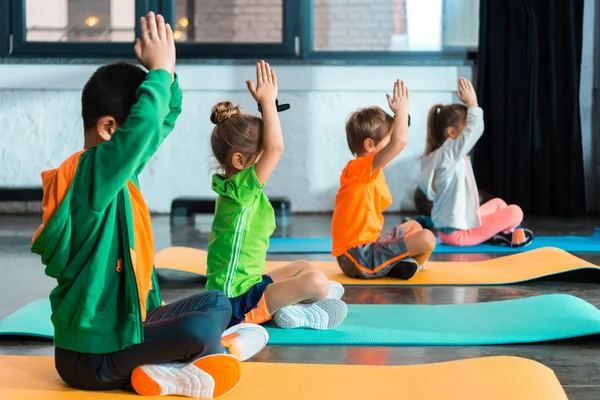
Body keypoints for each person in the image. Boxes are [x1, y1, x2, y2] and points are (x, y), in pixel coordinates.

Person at [31, 12, 266, 399]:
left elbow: (157, 125)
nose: (142, 145)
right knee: (199, 330)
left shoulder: (118, 172)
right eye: (133, 133)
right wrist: (159, 71)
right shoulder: (88, 177)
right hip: (91, 357)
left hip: (128, 327)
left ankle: (174, 365)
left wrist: (165, 77)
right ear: (109, 129)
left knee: (216, 301)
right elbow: (142, 130)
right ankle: (206, 356)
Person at [206, 61, 347, 330]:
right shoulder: (241, 189)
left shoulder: (240, 189)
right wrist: (268, 103)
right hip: (233, 306)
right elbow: (276, 148)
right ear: (239, 160)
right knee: (317, 281)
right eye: (260, 158)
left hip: (248, 287)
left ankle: (293, 306)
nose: (266, 165)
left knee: (304, 266)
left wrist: (267, 106)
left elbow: (271, 147)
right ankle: (301, 310)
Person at [331, 80, 436, 280]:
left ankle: (398, 265)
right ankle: (407, 264)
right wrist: (402, 111)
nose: (391, 148)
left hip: (371, 244)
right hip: (357, 256)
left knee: (414, 226)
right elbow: (399, 142)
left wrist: (399, 118)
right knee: (427, 238)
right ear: (370, 145)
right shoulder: (360, 168)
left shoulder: (371, 172)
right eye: (387, 141)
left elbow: (396, 141)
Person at [419, 77, 534, 247]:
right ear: (451, 132)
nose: (467, 135)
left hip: (453, 227)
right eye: (464, 128)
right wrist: (472, 103)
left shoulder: (444, 153)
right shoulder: (449, 152)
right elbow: (476, 128)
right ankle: (507, 235)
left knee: (499, 204)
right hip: (458, 234)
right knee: (515, 212)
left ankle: (501, 235)